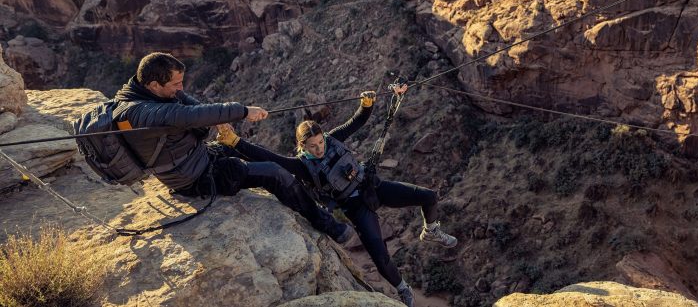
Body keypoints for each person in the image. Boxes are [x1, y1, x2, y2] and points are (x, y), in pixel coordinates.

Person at [214, 86, 457, 307]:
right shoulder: (302, 166)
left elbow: (357, 121)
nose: (319, 149)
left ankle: (431, 230)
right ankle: (403, 289)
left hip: (373, 187)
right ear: (302, 147)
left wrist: (367, 104)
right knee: (380, 257)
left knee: (428, 196)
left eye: (320, 142)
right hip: (356, 207)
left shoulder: (333, 140)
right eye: (313, 147)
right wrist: (235, 142)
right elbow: (268, 158)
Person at [113, 52, 351, 243]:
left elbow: (189, 103)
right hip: (195, 178)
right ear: (154, 84)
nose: (180, 87)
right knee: (272, 172)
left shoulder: (148, 95)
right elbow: (188, 114)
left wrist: (217, 119)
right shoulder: (142, 113)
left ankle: (305, 191)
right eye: (175, 83)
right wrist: (244, 111)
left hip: (195, 159)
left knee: (242, 148)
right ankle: (326, 224)